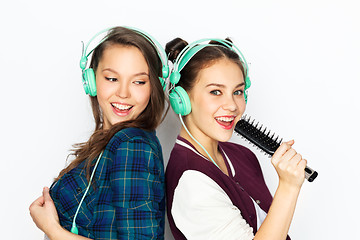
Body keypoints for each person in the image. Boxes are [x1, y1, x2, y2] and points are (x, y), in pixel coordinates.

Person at [29, 26, 169, 240]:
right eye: (112, 79)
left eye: (139, 81)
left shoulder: (132, 145)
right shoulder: (112, 142)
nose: (123, 93)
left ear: (154, 87)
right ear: (92, 81)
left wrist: (53, 229)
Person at [165, 38, 307, 240]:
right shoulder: (191, 183)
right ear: (182, 99)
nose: (232, 105)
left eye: (238, 92)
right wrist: (288, 187)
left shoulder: (242, 155)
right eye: (216, 92)